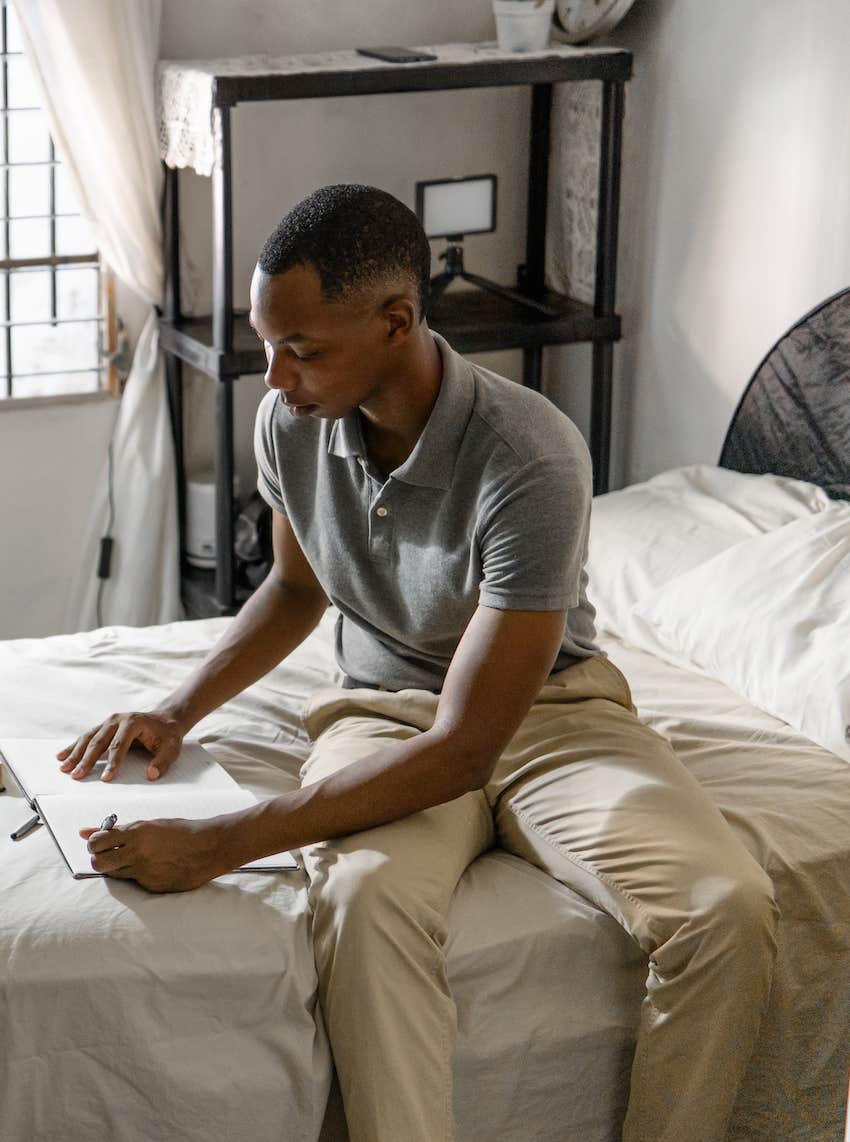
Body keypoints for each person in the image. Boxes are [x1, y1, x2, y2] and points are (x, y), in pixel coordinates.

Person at [58, 184, 779, 1142]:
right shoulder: (294, 424)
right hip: (380, 709)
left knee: (727, 911)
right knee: (362, 902)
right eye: (267, 342)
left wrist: (220, 842)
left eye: (303, 350)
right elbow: (295, 589)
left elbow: (468, 747)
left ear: (398, 321)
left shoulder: (531, 455)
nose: (274, 377)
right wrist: (177, 710)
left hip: (553, 720)